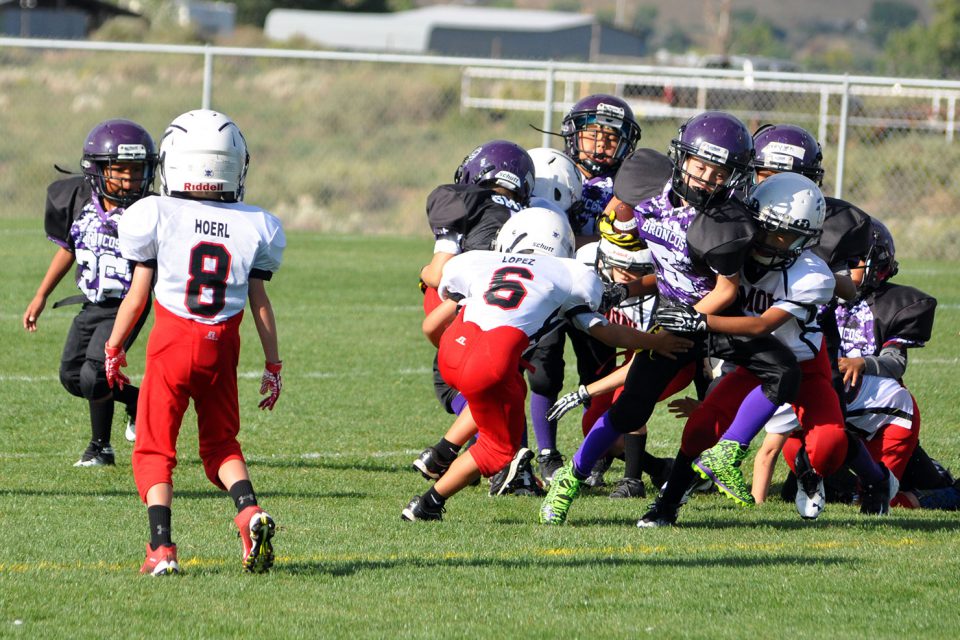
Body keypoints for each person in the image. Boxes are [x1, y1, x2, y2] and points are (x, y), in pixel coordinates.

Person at [539, 111, 802, 527]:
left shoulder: (724, 224)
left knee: (784, 371)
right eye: (700, 166)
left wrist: (692, 320)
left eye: (719, 173)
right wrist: (629, 281)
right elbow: (654, 254)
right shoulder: (644, 182)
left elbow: (725, 289)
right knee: (628, 412)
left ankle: (718, 459)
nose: (706, 179)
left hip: (714, 317)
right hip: (672, 313)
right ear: (682, 158)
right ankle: (569, 478)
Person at [401, 207, 692, 521]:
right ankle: (427, 504)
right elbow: (604, 332)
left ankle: (442, 452)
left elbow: (431, 327)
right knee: (498, 449)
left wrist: (458, 358)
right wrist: (654, 341)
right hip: (491, 363)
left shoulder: (475, 262)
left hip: (452, 350)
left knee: (512, 389)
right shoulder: (570, 274)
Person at [103, 109, 286, 576]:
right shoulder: (255, 224)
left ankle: (161, 549)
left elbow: (137, 295)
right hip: (223, 344)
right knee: (222, 442)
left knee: (154, 449)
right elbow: (261, 303)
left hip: (171, 342)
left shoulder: (157, 213)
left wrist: (113, 346)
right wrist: (273, 364)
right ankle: (248, 511)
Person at [23, 119, 157, 467]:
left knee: (94, 374)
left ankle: (101, 448)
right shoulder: (81, 200)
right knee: (71, 377)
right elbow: (69, 248)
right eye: (121, 170)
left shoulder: (150, 210)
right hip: (92, 302)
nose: (129, 179)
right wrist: (40, 295)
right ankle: (138, 401)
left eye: (137, 170)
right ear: (97, 170)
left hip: (128, 303)